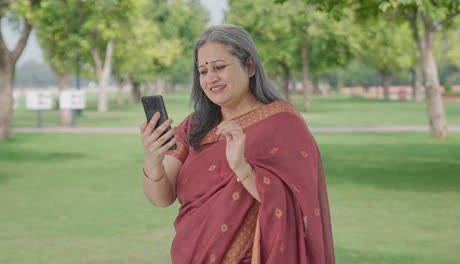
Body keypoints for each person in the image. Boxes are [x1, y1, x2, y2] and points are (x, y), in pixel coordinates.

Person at [140, 24, 335, 264]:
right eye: (202, 71)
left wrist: (242, 169)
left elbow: (296, 205)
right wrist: (152, 161)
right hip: (189, 254)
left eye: (219, 67)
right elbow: (161, 198)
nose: (211, 78)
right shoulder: (194, 126)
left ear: (249, 65)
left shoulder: (283, 123)